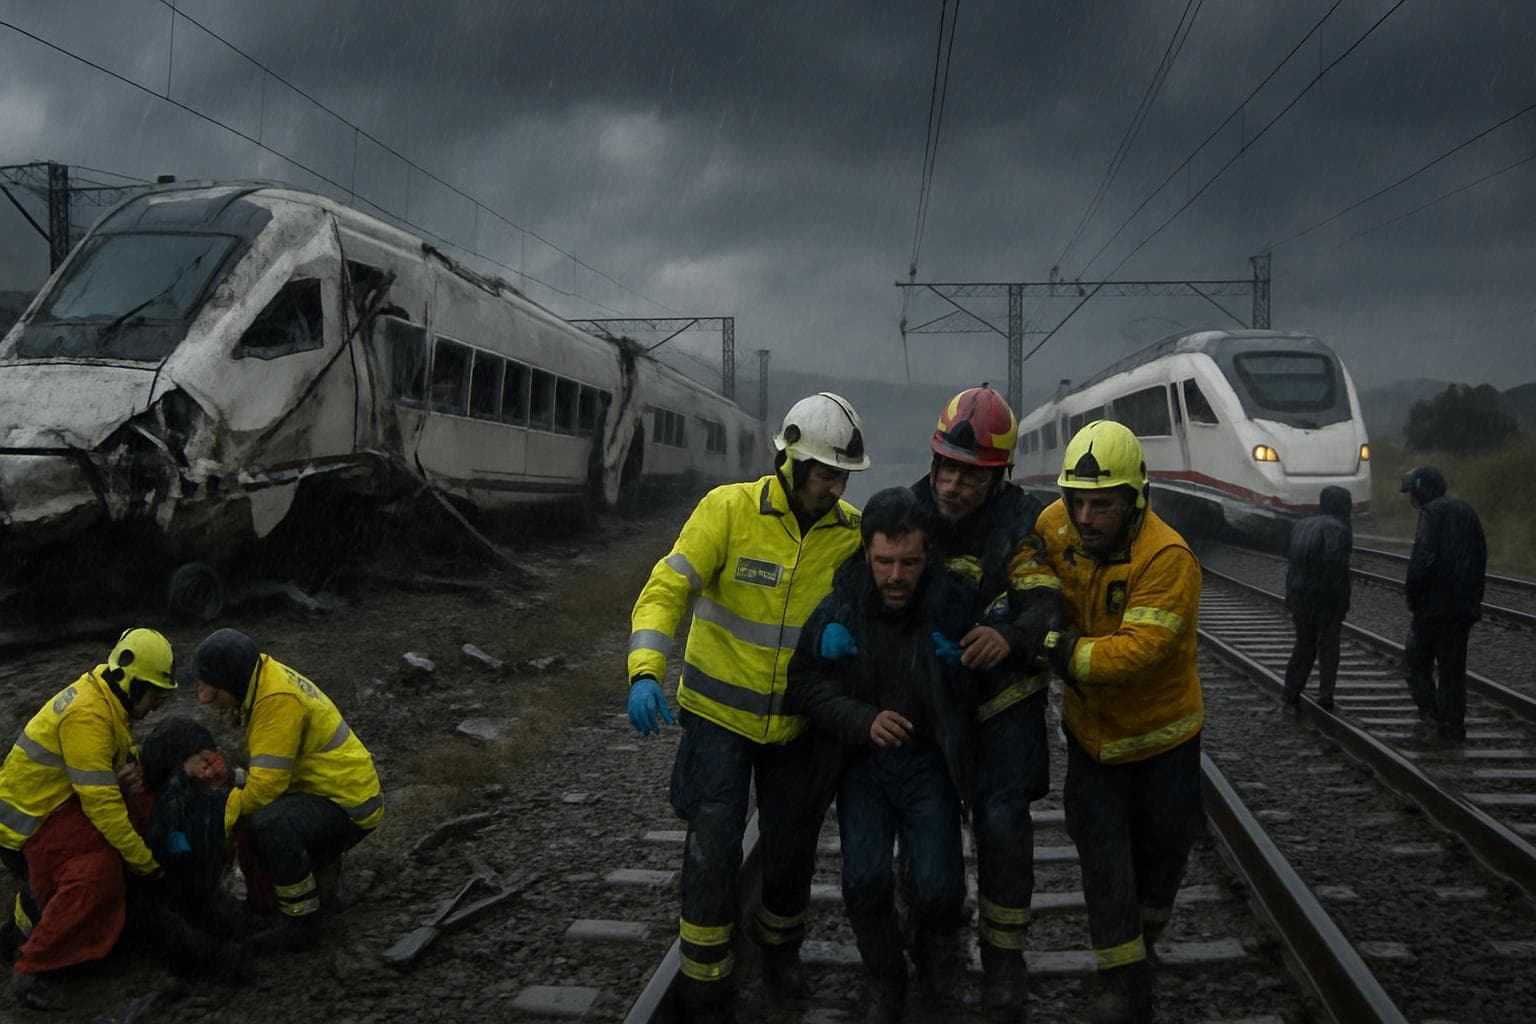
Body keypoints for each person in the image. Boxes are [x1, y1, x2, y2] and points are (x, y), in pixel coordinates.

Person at [626, 392, 869, 1022]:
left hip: (799, 725)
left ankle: (780, 952)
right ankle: (706, 984)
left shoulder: (853, 534)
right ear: (789, 462)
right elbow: (666, 589)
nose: (834, 485)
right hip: (716, 720)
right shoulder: (727, 511)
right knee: (713, 848)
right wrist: (645, 671)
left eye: (842, 475)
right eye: (824, 472)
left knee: (790, 848)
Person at [1029, 420, 1205, 1024]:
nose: (1084, 517)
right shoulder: (1055, 524)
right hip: (1093, 744)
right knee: (1103, 861)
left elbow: (1139, 653)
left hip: (1163, 744)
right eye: (1076, 501)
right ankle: (1123, 981)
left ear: (1135, 498)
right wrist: (1030, 607)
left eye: (1100, 504)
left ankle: (1147, 934)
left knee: (1162, 858)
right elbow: (1027, 562)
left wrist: (1057, 649)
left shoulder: (1168, 558)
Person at [786, 487, 977, 1023]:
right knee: (864, 880)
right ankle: (884, 975)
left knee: (941, 889)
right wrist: (861, 719)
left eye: (909, 563)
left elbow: (994, 677)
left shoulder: (953, 601)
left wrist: (965, 666)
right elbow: (801, 681)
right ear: (866, 556)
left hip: (928, 766)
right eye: (884, 562)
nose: (895, 576)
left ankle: (926, 940)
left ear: (928, 557)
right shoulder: (841, 605)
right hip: (864, 768)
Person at [910, 384, 1055, 1017]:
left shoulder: (1024, 524)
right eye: (945, 467)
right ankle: (931, 952)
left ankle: (1003, 964)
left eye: (971, 476)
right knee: (925, 843)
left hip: (1004, 708)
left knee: (1002, 830)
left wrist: (1012, 637)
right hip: (932, 710)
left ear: (999, 477)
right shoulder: (909, 512)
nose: (951, 485)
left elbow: (1045, 603)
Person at [0, 627, 177, 1011]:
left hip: (54, 809)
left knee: (139, 808)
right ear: (131, 684)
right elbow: (105, 810)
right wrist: (144, 864)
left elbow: (113, 759)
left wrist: (124, 773)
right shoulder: (87, 717)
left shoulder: (102, 694)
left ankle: (42, 903)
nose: (158, 705)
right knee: (101, 871)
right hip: (27, 832)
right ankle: (34, 959)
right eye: (155, 695)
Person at [188, 628, 383, 950]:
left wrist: (221, 815)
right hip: (328, 788)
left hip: (347, 803)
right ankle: (320, 874)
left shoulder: (275, 701)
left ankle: (301, 923)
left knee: (271, 825)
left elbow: (265, 789)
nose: (204, 697)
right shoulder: (261, 678)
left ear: (233, 681)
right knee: (256, 806)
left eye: (212, 687)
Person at [1400, 466, 1486, 743]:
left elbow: (1423, 559)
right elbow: (1479, 556)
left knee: (1415, 662)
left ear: (1422, 489)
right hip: (1463, 608)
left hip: (1433, 607)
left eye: (1412, 493)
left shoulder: (1431, 513)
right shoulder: (1466, 511)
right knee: (1452, 670)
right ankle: (1453, 727)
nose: (1410, 499)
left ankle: (1432, 715)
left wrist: (1413, 595)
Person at [1282, 485, 1354, 711]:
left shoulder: (1302, 524)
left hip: (1298, 594)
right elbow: (1336, 566)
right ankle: (1326, 695)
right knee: (1328, 647)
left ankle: (1291, 690)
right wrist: (1341, 600)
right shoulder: (1339, 528)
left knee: (1304, 644)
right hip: (1325, 598)